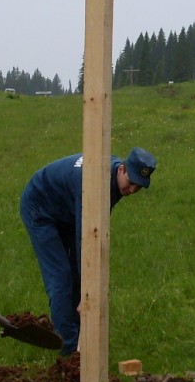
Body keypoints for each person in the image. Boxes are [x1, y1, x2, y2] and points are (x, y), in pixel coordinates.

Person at [20, 147, 156, 357]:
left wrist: (87, 287)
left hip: (66, 209)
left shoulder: (115, 181)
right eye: (131, 182)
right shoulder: (94, 185)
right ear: (121, 169)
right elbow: (86, 239)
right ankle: (69, 351)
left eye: (138, 187)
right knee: (61, 277)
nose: (131, 190)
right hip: (40, 207)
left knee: (76, 274)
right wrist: (88, 291)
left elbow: (94, 233)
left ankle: (81, 337)